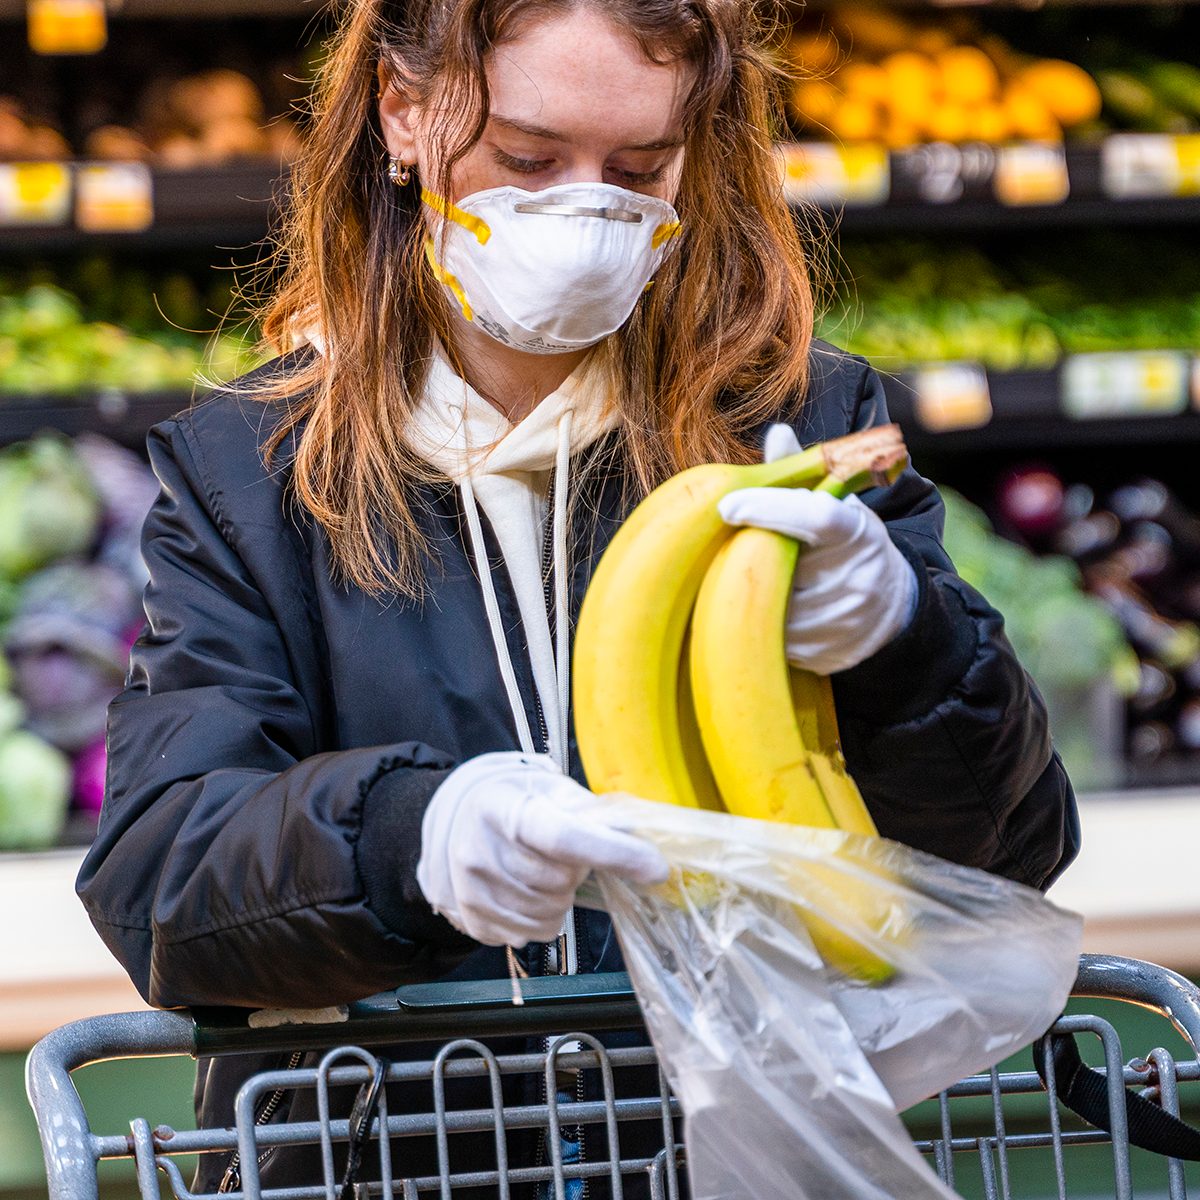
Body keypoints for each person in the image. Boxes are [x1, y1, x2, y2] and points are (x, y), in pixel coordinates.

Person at [77, 0, 1080, 1191]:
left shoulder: (796, 429)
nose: (583, 208)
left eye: (639, 166)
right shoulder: (254, 472)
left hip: (718, 1158)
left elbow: (1010, 858)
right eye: (527, 158)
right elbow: (160, 884)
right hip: (376, 1161)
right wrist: (407, 838)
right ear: (403, 113)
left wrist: (903, 646)